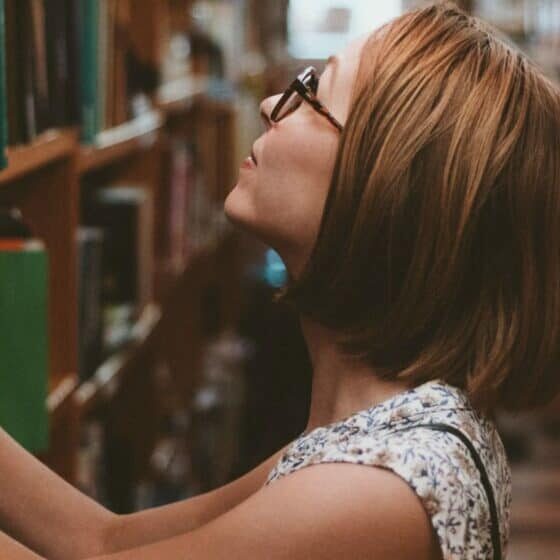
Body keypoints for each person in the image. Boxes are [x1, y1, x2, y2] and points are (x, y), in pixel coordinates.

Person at [2, 2, 560, 558]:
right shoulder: (373, 431)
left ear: (389, 188)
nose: (272, 104)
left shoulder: (374, 491)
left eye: (313, 95)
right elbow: (101, 542)